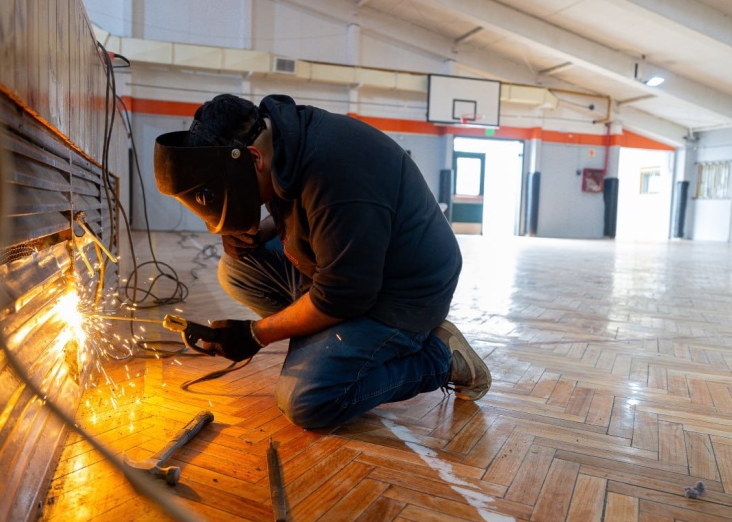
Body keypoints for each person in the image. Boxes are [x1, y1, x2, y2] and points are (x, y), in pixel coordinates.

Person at [154, 93, 491, 429]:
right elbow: (311, 211)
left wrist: (257, 334)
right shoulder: (283, 139)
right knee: (237, 271)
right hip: (354, 270)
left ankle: (439, 358)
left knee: (306, 401)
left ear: (253, 158)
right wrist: (259, 231)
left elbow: (344, 294)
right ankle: (327, 344)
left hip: (404, 293)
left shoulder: (336, 169)